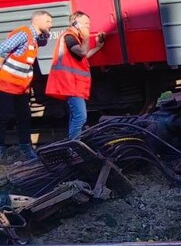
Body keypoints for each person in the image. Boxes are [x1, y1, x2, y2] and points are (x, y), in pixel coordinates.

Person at [0, 10, 52, 160]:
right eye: (48, 21)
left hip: (21, 88)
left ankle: (25, 147)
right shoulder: (24, 34)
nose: (51, 25)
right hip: (6, 84)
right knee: (4, 117)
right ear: (37, 21)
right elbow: (2, 48)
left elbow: (42, 42)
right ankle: (1, 149)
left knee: (24, 117)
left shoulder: (34, 39)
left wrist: (46, 34)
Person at [46, 11, 105, 140]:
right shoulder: (69, 37)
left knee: (75, 116)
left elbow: (82, 58)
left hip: (74, 84)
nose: (88, 26)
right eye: (85, 24)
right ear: (76, 23)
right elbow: (82, 52)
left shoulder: (74, 38)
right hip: (70, 84)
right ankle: (73, 147)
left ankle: (73, 146)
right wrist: (86, 37)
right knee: (80, 116)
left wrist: (98, 47)